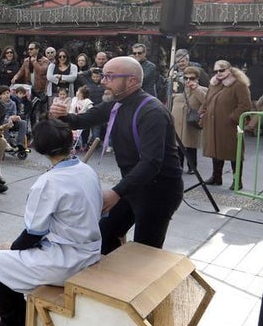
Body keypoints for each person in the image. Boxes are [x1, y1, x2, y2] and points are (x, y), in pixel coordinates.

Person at [0, 119, 103, 326]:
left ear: (40, 148)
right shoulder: (86, 170)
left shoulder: (48, 182)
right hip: (89, 250)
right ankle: (18, 322)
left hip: (67, 260)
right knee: (7, 258)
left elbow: (32, 234)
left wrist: (10, 247)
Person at [51, 56, 183, 254]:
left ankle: (131, 279)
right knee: (105, 235)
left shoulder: (152, 111)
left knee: (144, 253)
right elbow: (80, 121)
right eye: (103, 75)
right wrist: (60, 115)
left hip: (159, 191)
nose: (103, 81)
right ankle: (114, 275)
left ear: (131, 81)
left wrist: (116, 192)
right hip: (132, 186)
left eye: (110, 77)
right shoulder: (115, 103)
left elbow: (151, 163)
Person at [198, 60, 252, 188]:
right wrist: (202, 113)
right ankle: (216, 177)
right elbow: (206, 101)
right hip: (213, 123)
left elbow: (245, 105)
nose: (218, 73)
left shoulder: (238, 84)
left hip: (230, 126)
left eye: (221, 70)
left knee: (234, 152)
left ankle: (237, 180)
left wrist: (232, 118)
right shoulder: (213, 84)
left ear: (229, 69)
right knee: (215, 150)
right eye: (216, 71)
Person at [169, 66, 207, 174]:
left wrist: (195, 88)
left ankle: (192, 166)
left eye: (192, 78)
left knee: (191, 146)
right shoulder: (179, 88)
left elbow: (207, 101)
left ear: (197, 79)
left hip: (191, 121)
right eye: (186, 78)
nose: (188, 81)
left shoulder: (202, 89)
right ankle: (178, 165)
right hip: (177, 119)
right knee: (177, 145)